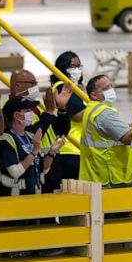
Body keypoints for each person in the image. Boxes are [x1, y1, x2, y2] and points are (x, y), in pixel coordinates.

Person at [0, 98, 65, 197]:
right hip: (13, 200)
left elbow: (43, 169)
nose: (31, 113)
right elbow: (15, 172)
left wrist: (51, 153)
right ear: (17, 116)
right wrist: (34, 151)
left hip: (34, 196)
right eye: (27, 111)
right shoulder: (6, 140)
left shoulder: (30, 136)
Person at [43, 52, 87, 192]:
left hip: (74, 147)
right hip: (69, 148)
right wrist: (99, 108)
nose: (77, 70)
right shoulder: (63, 87)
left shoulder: (74, 87)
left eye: (79, 66)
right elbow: (78, 115)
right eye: (73, 66)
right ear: (62, 68)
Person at [79, 74, 132, 187]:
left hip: (94, 174)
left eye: (111, 86)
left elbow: (112, 130)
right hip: (108, 176)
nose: (111, 90)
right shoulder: (104, 113)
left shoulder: (92, 108)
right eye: (105, 89)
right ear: (94, 95)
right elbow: (127, 138)